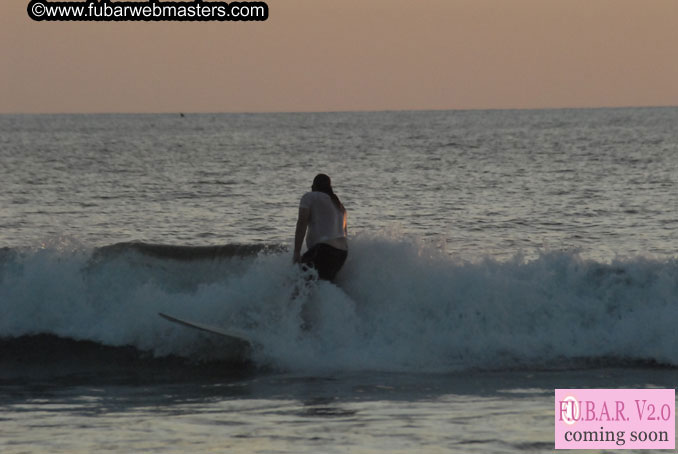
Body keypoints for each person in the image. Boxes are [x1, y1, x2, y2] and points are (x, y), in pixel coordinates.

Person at [293, 173, 348, 281]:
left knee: (299, 283)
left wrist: (296, 252)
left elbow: (302, 222)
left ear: (313, 187)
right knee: (321, 284)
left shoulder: (309, 196)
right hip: (341, 254)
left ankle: (294, 298)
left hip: (324, 250)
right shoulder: (339, 205)